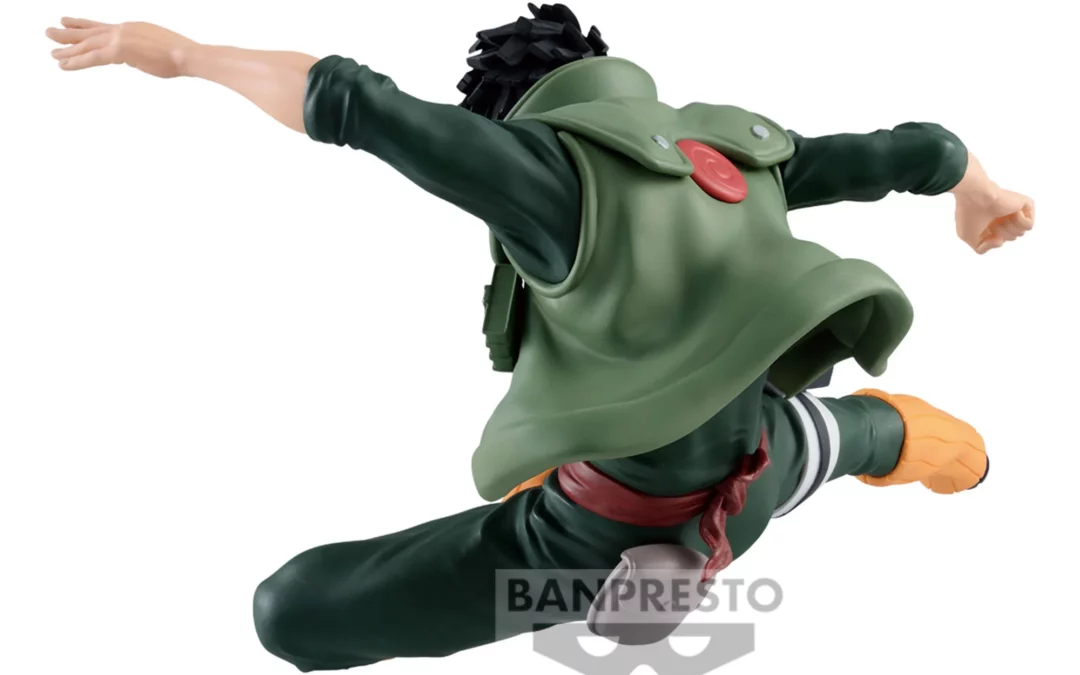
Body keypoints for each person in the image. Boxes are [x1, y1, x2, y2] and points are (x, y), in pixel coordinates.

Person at [46, 4, 1035, 672]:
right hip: (768, 459)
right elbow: (921, 150)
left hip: (612, 532)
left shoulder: (547, 171)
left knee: (293, 609)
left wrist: (177, 53)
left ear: (512, 118)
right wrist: (979, 194)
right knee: (845, 436)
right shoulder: (738, 150)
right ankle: (915, 437)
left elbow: (346, 99)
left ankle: (663, 569)